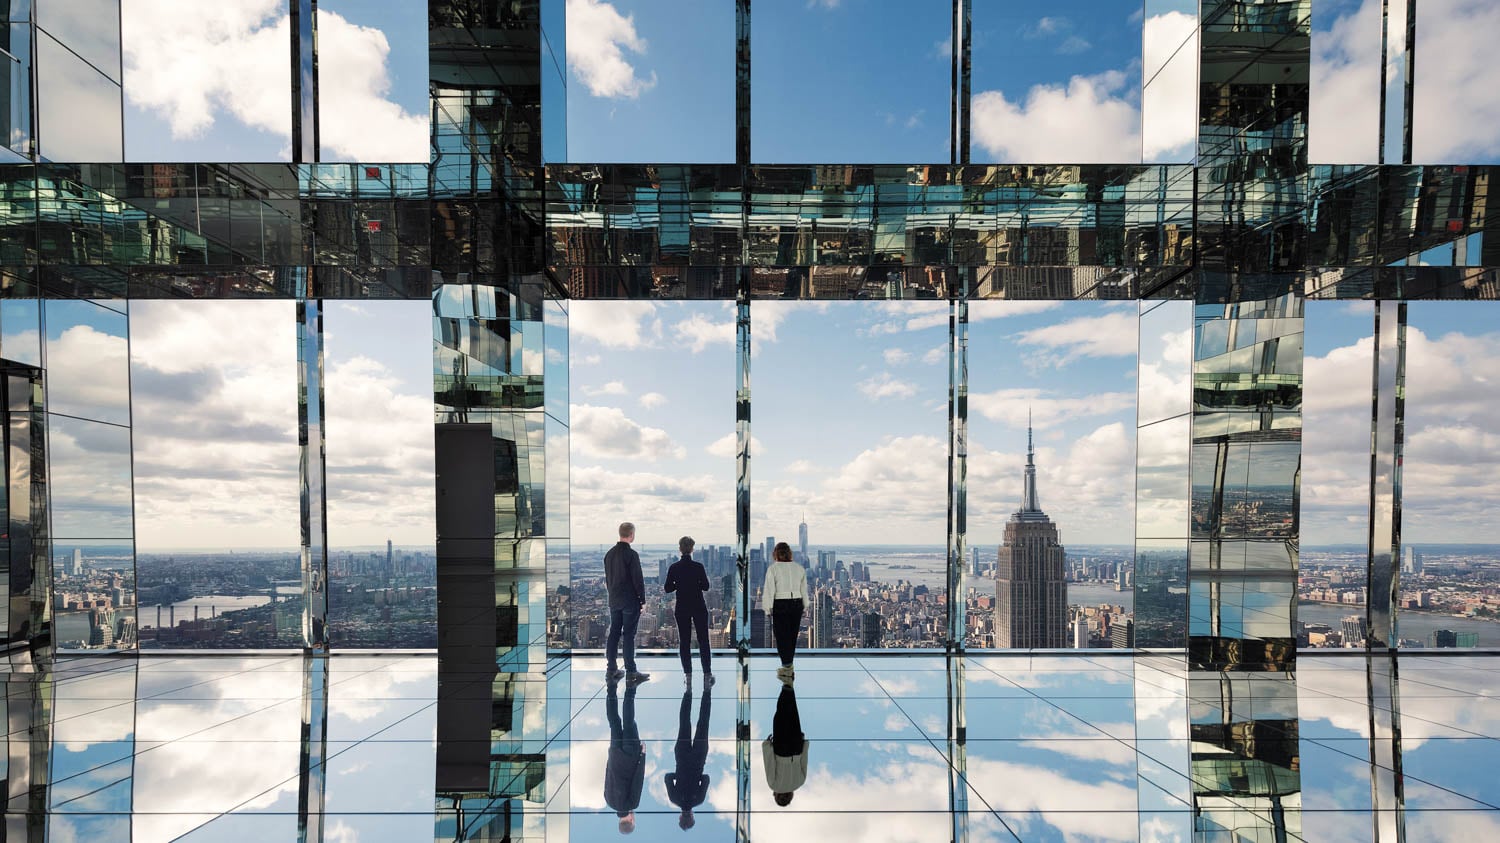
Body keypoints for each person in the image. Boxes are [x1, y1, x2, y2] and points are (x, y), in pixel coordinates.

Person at [664, 535, 713, 686]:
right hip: (698, 605)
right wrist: (695, 584)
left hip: (682, 606)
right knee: (703, 640)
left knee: (684, 641)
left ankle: (688, 675)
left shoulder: (674, 567)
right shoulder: (698, 567)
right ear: (692, 549)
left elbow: (667, 588)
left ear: (680, 549)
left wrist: (679, 584)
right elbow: (706, 586)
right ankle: (707, 675)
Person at [605, 521, 650, 684]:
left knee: (614, 633)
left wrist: (612, 595)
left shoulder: (609, 554)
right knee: (629, 636)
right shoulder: (632, 555)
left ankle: (611, 669)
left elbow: (608, 580)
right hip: (629, 602)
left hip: (614, 600)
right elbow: (638, 580)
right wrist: (642, 601)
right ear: (631, 535)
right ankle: (631, 672)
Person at [664, 687, 711, 830]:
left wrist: (695, 775)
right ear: (680, 817)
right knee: (684, 722)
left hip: (698, 758)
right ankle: (688, 690)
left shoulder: (699, 800)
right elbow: (667, 777)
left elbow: (706, 778)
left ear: (692, 816)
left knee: (703, 722)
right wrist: (679, 775)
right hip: (682, 757)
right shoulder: (674, 799)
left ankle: (706, 690)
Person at [605, 680, 646, 834]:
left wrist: (642, 755)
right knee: (614, 723)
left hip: (630, 756)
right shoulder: (608, 801)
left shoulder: (632, 804)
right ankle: (611, 686)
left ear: (630, 820)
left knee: (629, 723)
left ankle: (631, 687)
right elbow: (607, 774)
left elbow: (638, 779)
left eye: (633, 820)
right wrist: (611, 755)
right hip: (615, 754)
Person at [762, 541, 807, 679]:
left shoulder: (773, 569)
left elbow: (769, 590)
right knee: (792, 636)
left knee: (782, 637)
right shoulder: (799, 568)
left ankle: (786, 667)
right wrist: (804, 605)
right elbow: (803, 590)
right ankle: (789, 665)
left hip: (780, 604)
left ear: (775, 554)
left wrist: (768, 608)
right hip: (796, 603)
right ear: (789, 553)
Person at [761, 681, 809, 806]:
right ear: (777, 796)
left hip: (797, 748)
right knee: (780, 714)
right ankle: (786, 683)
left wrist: (804, 743)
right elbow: (769, 764)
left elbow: (804, 761)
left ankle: (789, 686)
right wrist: (767, 745)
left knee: (793, 713)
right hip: (781, 750)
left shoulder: (800, 782)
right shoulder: (774, 785)